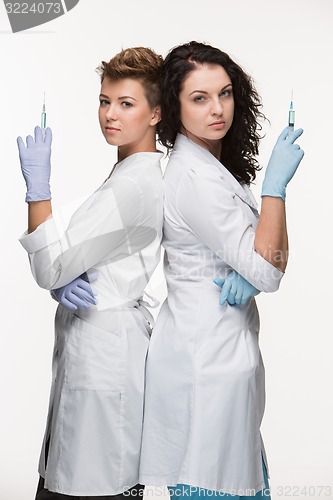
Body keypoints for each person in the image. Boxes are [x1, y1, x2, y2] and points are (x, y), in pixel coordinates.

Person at [139, 41, 304, 499]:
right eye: (200, 98)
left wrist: (255, 269)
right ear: (173, 107)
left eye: (226, 93)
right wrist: (275, 189)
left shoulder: (212, 166)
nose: (218, 109)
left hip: (220, 359)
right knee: (212, 485)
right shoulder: (193, 178)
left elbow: (271, 258)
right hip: (204, 366)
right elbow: (271, 268)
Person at [17, 46, 164, 498]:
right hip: (106, 347)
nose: (109, 115)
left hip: (104, 357)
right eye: (104, 101)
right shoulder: (137, 173)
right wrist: (65, 275)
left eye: (126, 103)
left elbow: (49, 265)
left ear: (157, 113)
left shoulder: (133, 184)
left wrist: (37, 189)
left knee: (88, 484)